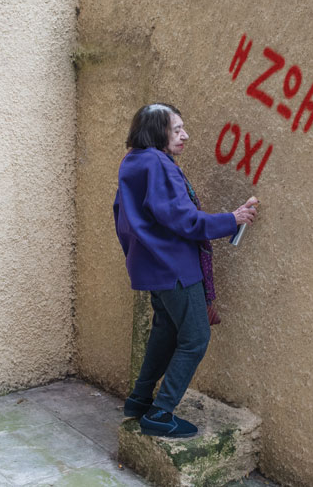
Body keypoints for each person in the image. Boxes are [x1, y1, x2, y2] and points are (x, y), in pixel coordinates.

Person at [113, 103, 258, 438]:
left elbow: (123, 214)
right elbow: (183, 219)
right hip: (175, 267)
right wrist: (232, 219)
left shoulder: (133, 162)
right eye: (176, 129)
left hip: (153, 266)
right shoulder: (158, 164)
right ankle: (160, 413)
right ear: (156, 132)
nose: (185, 135)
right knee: (195, 338)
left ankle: (139, 400)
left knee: (165, 331)